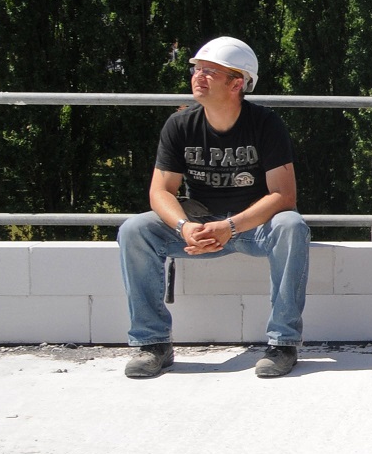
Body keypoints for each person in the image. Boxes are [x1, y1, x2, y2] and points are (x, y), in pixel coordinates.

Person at [119, 37, 310, 380]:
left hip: (252, 228)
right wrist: (183, 227)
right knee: (135, 230)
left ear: (237, 83)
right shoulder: (180, 125)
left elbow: (284, 196)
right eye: (197, 69)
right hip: (199, 228)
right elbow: (160, 191)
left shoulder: (266, 124)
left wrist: (231, 227)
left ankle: (283, 343)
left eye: (209, 71)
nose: (198, 76)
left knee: (291, 226)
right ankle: (153, 344)